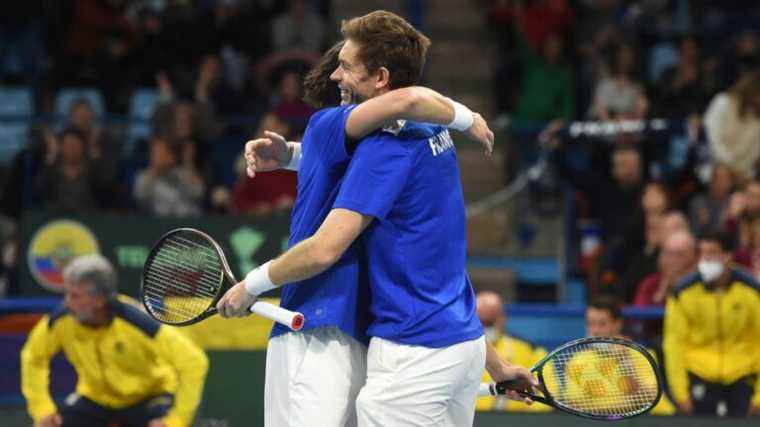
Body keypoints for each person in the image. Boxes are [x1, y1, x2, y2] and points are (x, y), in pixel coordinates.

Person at [218, 11, 535, 427]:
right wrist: (295, 156)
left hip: (350, 335)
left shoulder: (369, 139)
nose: (336, 77)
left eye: (346, 68)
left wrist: (250, 285)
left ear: (381, 78)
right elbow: (437, 268)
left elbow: (325, 248)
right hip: (412, 337)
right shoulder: (430, 138)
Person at [20, 254, 208, 427]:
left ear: (100, 300)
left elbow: (194, 361)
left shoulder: (139, 322)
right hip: (96, 400)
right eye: (67, 293)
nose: (67, 302)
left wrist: (176, 421)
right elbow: (33, 357)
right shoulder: (60, 320)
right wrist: (42, 410)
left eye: (75, 296)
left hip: (149, 398)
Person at [664, 230, 760, 417]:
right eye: (702, 253)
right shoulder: (682, 293)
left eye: (712, 253)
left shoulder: (752, 292)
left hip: (743, 377)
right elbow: (674, 344)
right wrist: (681, 394)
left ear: (727, 256)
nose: (705, 259)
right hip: (699, 376)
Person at [583, 296, 676, 416]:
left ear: (617, 324)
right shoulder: (577, 359)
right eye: (590, 323)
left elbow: (649, 400)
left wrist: (625, 363)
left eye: (602, 324)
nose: (594, 331)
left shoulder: (644, 355)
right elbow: (573, 404)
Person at [474, 291, 550, 413]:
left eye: (490, 322)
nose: (486, 329)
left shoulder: (531, 350)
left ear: (503, 318)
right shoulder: (458, 352)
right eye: (482, 322)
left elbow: (544, 397)